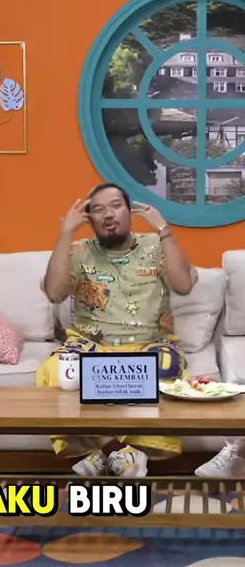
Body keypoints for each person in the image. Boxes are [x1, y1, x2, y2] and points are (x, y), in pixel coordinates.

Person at [36, 183, 198, 478]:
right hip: (91, 345)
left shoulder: (156, 245)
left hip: (148, 344)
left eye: (115, 206)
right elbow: (55, 293)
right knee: (56, 370)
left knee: (167, 369)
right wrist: (65, 233)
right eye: (98, 209)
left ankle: (102, 455)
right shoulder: (79, 251)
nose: (108, 215)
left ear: (129, 211)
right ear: (89, 218)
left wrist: (164, 229)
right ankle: (117, 452)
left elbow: (184, 285)